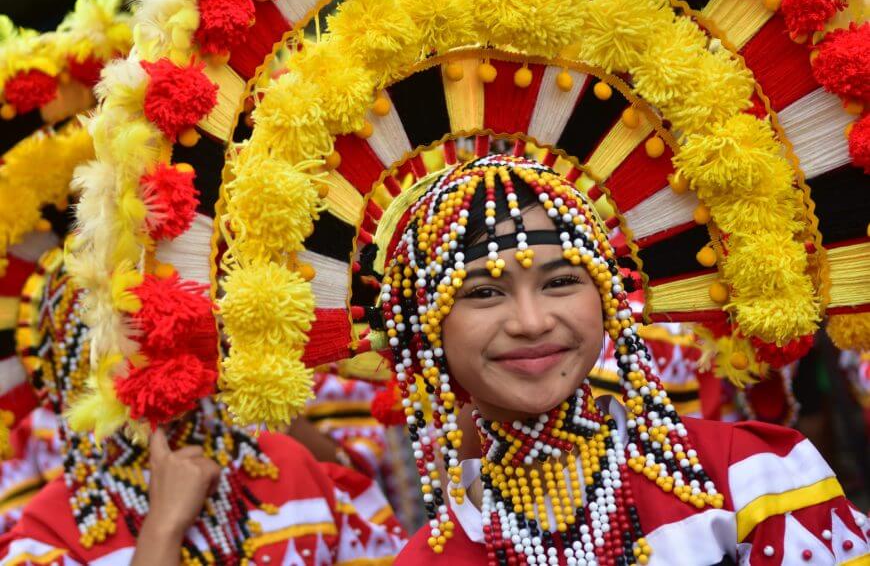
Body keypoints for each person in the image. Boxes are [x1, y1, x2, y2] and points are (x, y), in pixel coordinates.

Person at [371, 155, 868, 565]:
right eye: (483, 292)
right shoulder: (428, 558)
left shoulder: (754, 478)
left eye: (561, 282)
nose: (531, 321)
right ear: (424, 330)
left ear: (608, 299)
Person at [0, 250, 407, 565]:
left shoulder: (291, 468)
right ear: (69, 368)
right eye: (123, 329)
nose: (155, 345)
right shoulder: (48, 535)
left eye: (165, 322)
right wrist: (163, 528)